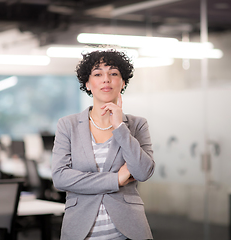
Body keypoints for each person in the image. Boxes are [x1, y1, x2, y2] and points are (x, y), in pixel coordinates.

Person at [52, 49, 155, 240]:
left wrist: (119, 126)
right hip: (81, 231)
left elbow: (143, 172)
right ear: (88, 84)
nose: (106, 79)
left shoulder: (137, 124)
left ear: (122, 82)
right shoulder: (68, 125)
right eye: (98, 74)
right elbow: (60, 178)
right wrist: (116, 179)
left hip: (129, 232)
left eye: (113, 73)